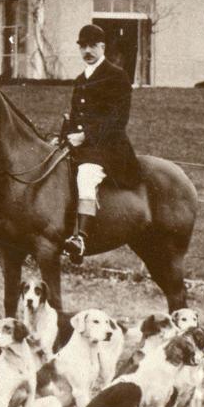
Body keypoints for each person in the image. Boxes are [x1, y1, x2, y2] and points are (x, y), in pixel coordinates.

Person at [58, 23, 138, 263]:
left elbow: (118, 119)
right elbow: (76, 115)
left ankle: (81, 238)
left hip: (109, 147)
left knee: (86, 175)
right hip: (82, 145)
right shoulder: (81, 79)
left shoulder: (117, 75)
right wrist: (65, 136)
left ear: (102, 47)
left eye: (93, 45)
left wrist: (85, 137)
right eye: (83, 46)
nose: (87, 51)